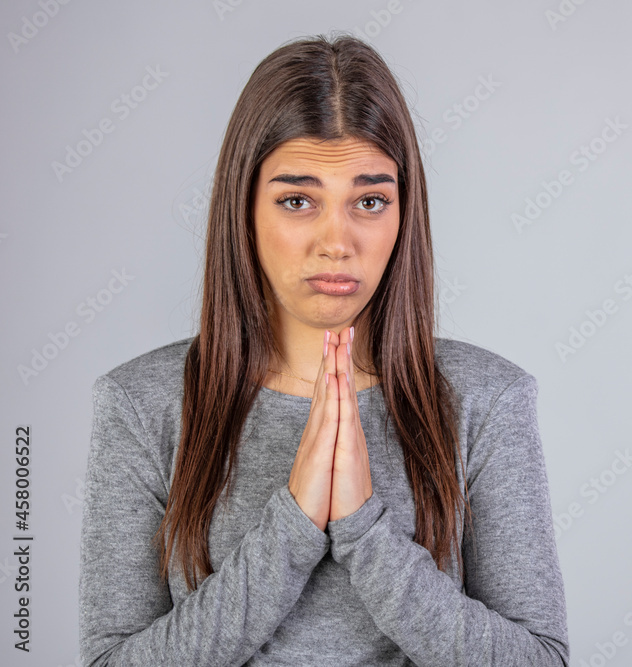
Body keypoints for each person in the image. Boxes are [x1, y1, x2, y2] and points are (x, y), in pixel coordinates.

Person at [77, 32, 569, 666]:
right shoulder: (141, 404)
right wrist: (293, 526)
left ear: (404, 213)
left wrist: (364, 528)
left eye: (370, 201)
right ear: (244, 210)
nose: (337, 242)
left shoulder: (488, 398)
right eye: (298, 201)